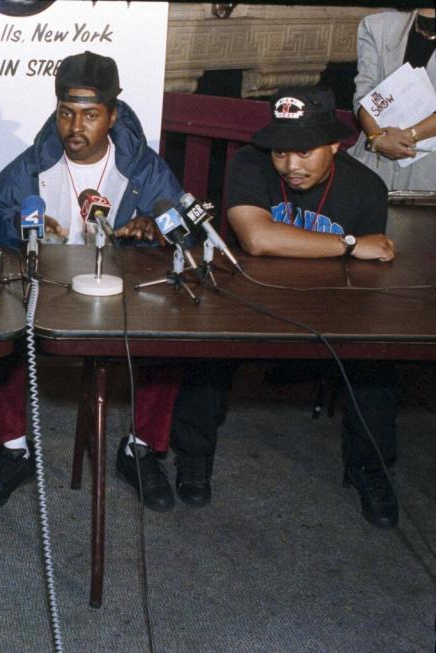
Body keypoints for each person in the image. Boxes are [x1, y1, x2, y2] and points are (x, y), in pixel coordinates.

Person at [170, 86, 399, 529]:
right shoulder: (250, 163)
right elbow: (257, 237)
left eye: (305, 152)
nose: (291, 166)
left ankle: (370, 467)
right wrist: (348, 244)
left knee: (375, 361)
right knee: (205, 348)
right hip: (247, 295)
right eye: (281, 153)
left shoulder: (367, 187)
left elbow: (373, 269)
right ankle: (193, 456)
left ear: (335, 143)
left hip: (331, 303)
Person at [0, 51, 184, 513]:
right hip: (46, 288)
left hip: (120, 292)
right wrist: (21, 228)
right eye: (66, 113)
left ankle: (140, 449)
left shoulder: (143, 166)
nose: (76, 127)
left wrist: (155, 227)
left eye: (90, 115)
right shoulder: (35, 162)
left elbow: (181, 220)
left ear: (112, 115)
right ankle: (12, 451)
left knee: (169, 341)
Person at [349, 8, 436, 191]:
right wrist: (376, 138)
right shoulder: (377, 25)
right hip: (376, 163)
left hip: (430, 170)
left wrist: (410, 135)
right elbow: (364, 94)